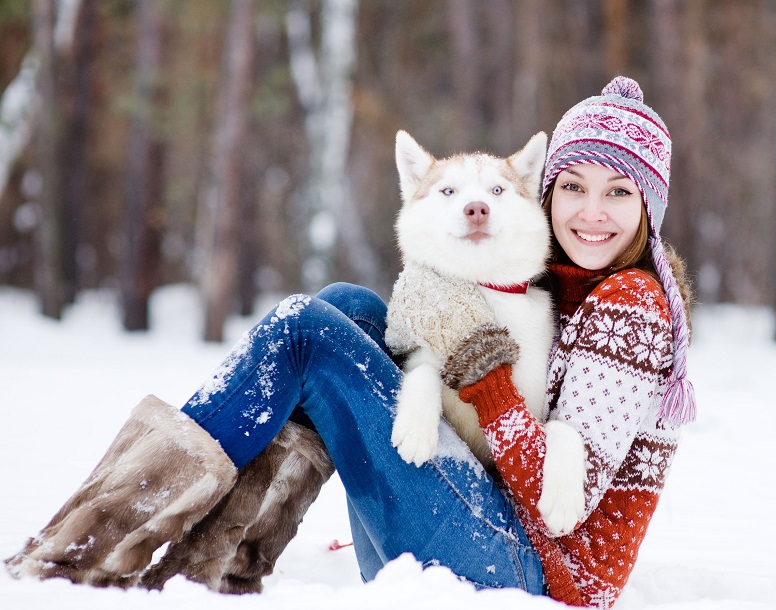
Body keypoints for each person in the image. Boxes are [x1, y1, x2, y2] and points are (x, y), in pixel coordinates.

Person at [5, 76, 694, 608]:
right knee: (350, 309)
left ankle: (91, 544)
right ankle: (225, 555)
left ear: (649, 210)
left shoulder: (629, 305)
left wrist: (483, 380)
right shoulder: (560, 282)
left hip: (529, 573)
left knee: (307, 333)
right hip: (479, 524)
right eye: (572, 186)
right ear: (545, 193)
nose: (590, 212)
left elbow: (557, 501)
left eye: (618, 194)